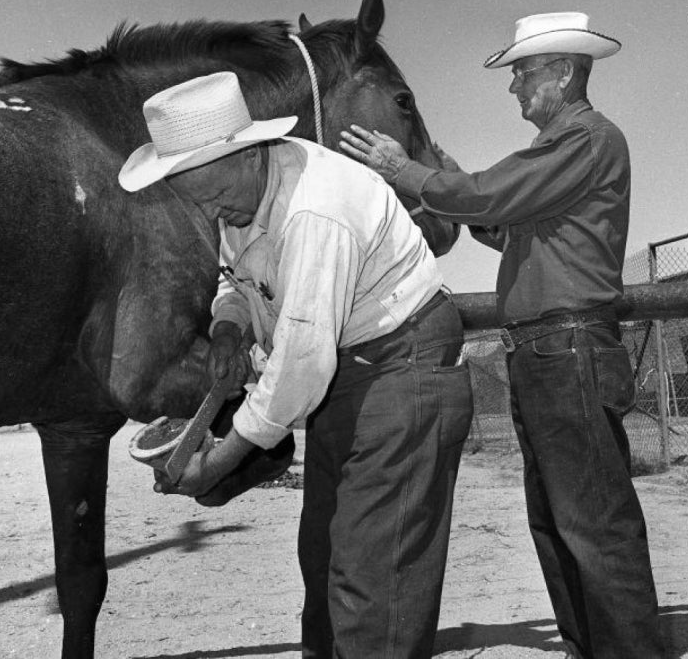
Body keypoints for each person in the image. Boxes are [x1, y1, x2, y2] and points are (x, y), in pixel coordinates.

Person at [339, 12, 664, 659]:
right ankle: (590, 644)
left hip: (565, 348)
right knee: (559, 518)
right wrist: (448, 186)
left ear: (564, 72)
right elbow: (503, 221)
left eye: (522, 72)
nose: (514, 86)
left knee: (591, 520)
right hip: (549, 352)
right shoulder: (567, 153)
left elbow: (491, 199)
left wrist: (410, 174)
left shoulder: (585, 139)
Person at [118, 71, 474, 659]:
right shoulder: (239, 196)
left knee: (372, 570)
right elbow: (236, 278)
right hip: (350, 369)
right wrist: (228, 328)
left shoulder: (314, 207)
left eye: (209, 194)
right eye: (192, 197)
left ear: (247, 152)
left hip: (403, 363)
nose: (209, 211)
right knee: (324, 552)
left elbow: (300, 365)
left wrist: (222, 459)